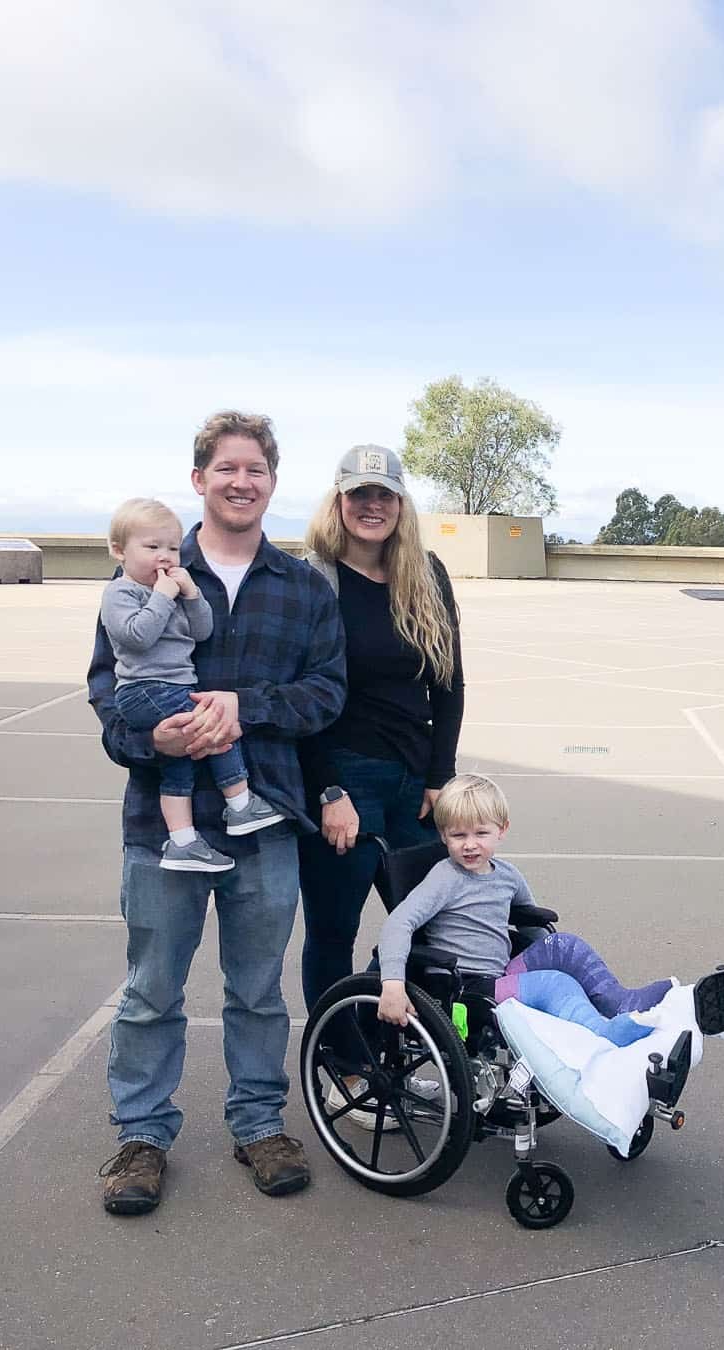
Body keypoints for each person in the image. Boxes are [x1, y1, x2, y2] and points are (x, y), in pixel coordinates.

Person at [87, 411, 346, 1217]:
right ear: (199, 479)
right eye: (226, 468)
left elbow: (327, 695)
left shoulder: (302, 588)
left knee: (259, 989)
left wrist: (248, 706)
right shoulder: (147, 567)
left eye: (256, 470)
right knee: (152, 989)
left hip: (263, 814)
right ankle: (141, 1136)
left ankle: (259, 1123)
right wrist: (149, 732)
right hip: (162, 825)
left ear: (273, 482)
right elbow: (104, 690)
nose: (242, 481)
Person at [296, 445, 464, 1036]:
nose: (372, 505)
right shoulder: (313, 579)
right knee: (333, 931)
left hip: (412, 781)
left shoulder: (428, 573)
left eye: (384, 494)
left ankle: (372, 1030)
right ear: (338, 500)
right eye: (359, 494)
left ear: (400, 503)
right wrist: (327, 789)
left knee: (434, 917)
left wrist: (439, 778)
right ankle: (340, 1060)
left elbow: (449, 685)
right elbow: (301, 698)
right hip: (343, 777)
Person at [376, 774, 672, 1047]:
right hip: (463, 986)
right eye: (458, 836)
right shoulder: (445, 877)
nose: (469, 845)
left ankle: (621, 1003)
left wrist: (548, 957)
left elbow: (531, 922)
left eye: (481, 833)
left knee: (563, 944)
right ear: (443, 836)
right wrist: (392, 985)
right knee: (555, 984)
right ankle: (604, 1036)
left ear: (502, 830)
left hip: (499, 971)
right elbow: (399, 923)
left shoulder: (507, 875)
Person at [99, 497, 284, 872]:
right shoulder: (120, 593)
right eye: (152, 548)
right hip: (145, 689)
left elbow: (202, 631)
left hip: (173, 688)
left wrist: (191, 594)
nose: (165, 557)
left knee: (179, 762)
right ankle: (240, 801)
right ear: (119, 551)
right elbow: (138, 636)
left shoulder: (172, 588)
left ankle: (182, 841)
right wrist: (163, 597)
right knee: (211, 723)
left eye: (171, 547)